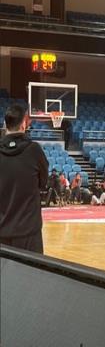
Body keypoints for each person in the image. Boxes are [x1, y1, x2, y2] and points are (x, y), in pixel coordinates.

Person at [0, 104, 48, 254]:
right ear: (23, 125)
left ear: (5, 124)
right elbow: (43, 183)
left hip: (2, 233)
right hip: (29, 234)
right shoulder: (34, 150)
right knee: (32, 270)